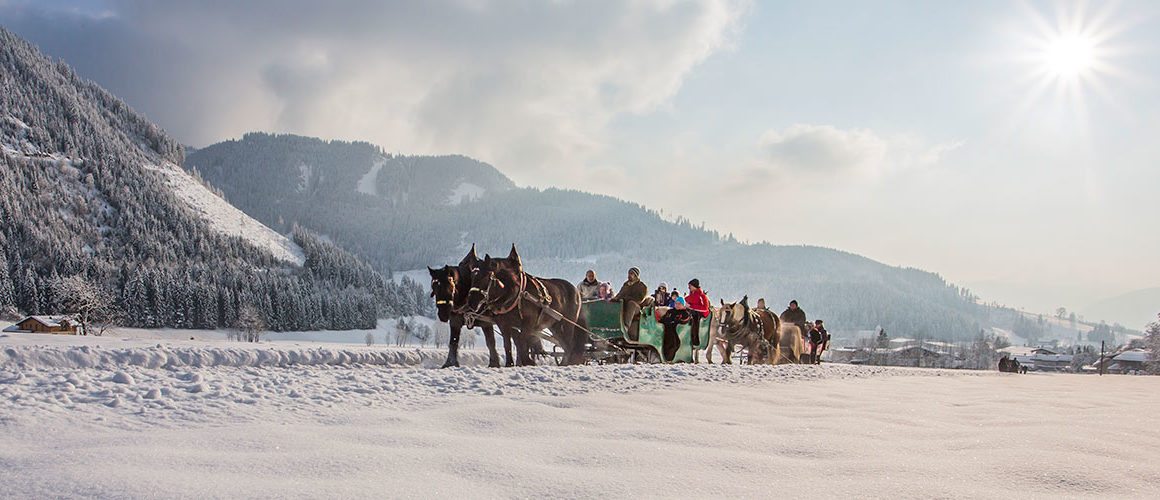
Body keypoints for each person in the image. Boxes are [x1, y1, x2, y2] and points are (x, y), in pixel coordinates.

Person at [611, 267, 648, 338]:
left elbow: (640, 299)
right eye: (629, 273)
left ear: (636, 275)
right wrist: (615, 299)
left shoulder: (642, 286)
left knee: (632, 304)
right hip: (624, 304)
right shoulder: (626, 284)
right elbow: (620, 294)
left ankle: (626, 326)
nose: (629, 275)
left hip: (636, 307)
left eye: (631, 274)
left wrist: (626, 299)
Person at [660, 291, 692, 362]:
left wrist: (675, 321)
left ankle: (668, 357)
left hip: (675, 331)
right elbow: (663, 319)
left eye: (679, 304)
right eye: (676, 303)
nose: (677, 305)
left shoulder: (685, 313)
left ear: (683, 305)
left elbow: (685, 320)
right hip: (665, 328)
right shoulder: (670, 311)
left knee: (672, 341)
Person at [685, 279, 710, 360]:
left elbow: (705, 308)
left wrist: (692, 307)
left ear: (694, 286)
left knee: (694, 318)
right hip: (692, 311)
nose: (688, 287)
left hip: (700, 314)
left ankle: (695, 339)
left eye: (690, 286)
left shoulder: (701, 296)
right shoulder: (692, 294)